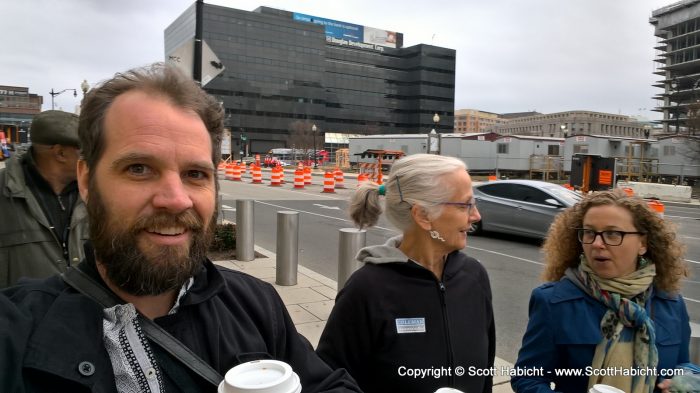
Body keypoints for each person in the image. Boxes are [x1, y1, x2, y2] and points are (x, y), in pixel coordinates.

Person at [0, 63, 360, 392]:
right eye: (139, 168)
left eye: (195, 174)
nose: (176, 199)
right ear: (86, 180)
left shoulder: (254, 303)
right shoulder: (16, 332)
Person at [316, 153, 495, 393]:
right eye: (465, 205)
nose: (476, 216)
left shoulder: (474, 276)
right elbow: (329, 381)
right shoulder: (366, 290)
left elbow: (485, 373)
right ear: (423, 216)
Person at [511, 190, 690, 393]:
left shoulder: (671, 303)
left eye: (613, 233)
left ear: (642, 244)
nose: (597, 243)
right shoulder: (553, 302)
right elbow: (528, 378)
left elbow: (683, 364)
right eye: (589, 233)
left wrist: (687, 381)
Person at [0, 110, 88, 288]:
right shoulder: (4, 192)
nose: (93, 159)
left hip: (87, 312)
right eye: (85, 152)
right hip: (20, 314)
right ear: (60, 153)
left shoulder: (96, 193)